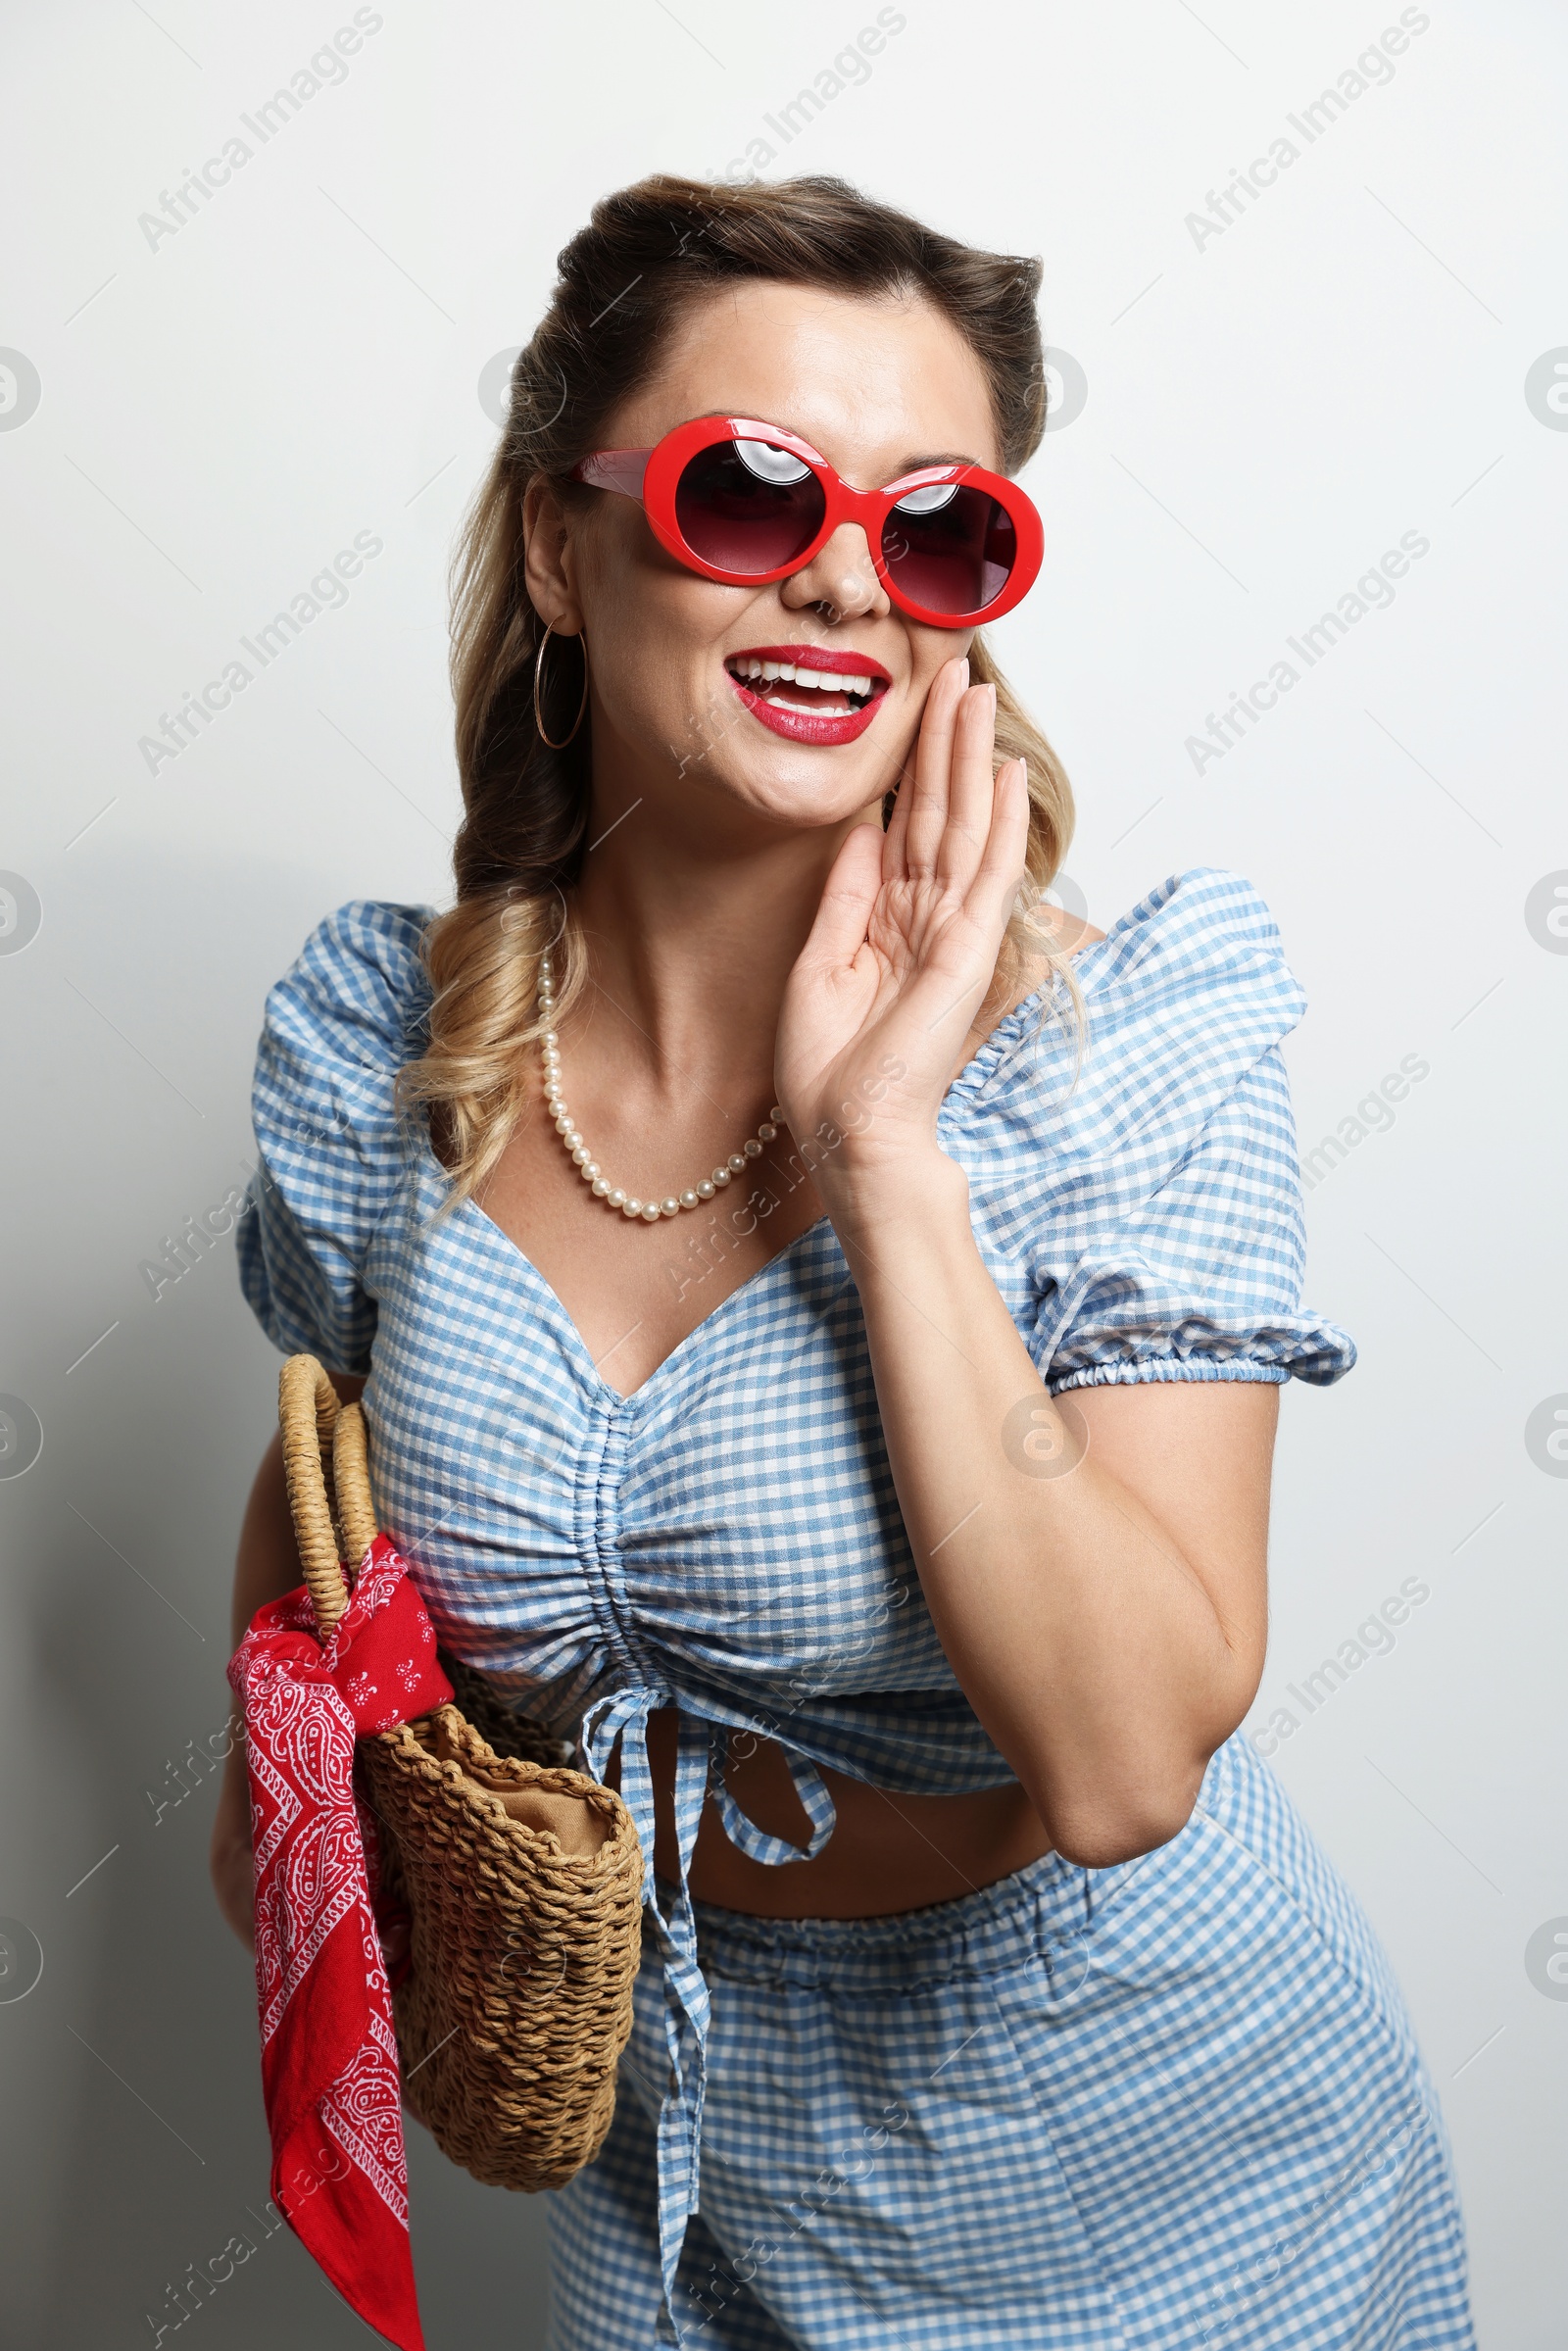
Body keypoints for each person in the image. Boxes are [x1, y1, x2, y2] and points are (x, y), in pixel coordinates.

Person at [212, 173, 1475, 2350]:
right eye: (746, 490)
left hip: (1166, 2185)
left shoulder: (1119, 1048)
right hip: (676, 2177)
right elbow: (329, 1496)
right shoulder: (389, 1050)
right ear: (552, 534)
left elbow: (1118, 1760)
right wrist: (324, 1828)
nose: (838, 582)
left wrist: (883, 1155)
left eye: (933, 526)